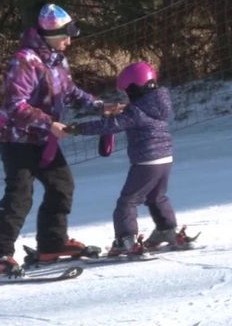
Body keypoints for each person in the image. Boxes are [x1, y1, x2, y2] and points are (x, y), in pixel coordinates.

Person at [0, 3, 117, 275]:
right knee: (20, 195)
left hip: (44, 138)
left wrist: (99, 105)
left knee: (62, 186)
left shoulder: (57, 59)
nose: (69, 41)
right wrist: (48, 123)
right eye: (65, 35)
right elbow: (15, 106)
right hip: (16, 139)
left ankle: (52, 244)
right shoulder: (25, 60)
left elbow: (70, 92)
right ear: (48, 34)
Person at [62, 62, 180, 256]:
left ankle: (126, 239)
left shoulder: (136, 112)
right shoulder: (158, 103)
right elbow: (137, 114)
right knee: (156, 196)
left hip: (146, 161)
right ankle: (166, 229)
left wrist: (75, 128)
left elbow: (110, 126)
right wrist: (125, 109)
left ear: (134, 88)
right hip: (165, 159)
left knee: (127, 201)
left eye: (127, 91)